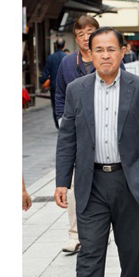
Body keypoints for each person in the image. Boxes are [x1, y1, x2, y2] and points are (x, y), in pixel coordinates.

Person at [54, 27, 139, 277]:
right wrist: (63, 181)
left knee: (131, 248)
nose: (105, 55)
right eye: (98, 49)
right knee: (90, 251)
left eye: (111, 49)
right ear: (90, 52)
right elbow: (67, 140)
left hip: (129, 181)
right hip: (92, 182)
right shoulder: (77, 89)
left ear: (122, 51)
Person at [53, 15, 100, 252]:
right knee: (74, 182)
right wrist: (63, 120)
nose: (85, 37)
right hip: (78, 132)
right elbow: (59, 94)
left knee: (102, 180)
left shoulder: (108, 58)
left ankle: (101, 229)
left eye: (89, 31)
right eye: (80, 34)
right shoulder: (68, 63)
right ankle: (75, 234)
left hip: (104, 132)